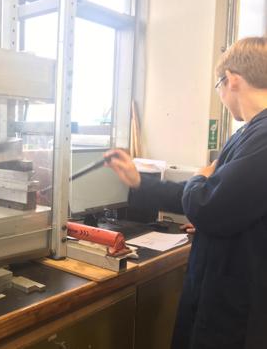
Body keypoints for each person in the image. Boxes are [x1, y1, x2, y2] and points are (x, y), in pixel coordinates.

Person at [104, 36, 267, 349]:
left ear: (231, 80)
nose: (220, 94)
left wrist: (201, 182)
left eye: (218, 85)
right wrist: (139, 180)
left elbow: (208, 203)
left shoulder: (262, 138)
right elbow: (209, 196)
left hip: (240, 304)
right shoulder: (247, 134)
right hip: (222, 287)